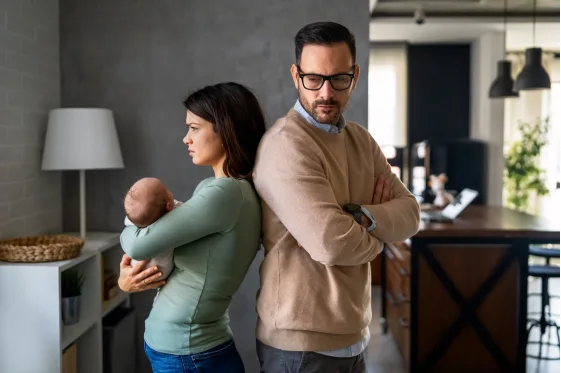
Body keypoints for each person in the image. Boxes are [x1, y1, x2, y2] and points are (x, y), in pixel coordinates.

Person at [252, 21, 421, 373]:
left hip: (355, 336)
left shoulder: (361, 140)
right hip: (300, 346)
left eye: (338, 79)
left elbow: (411, 214)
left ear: (355, 75)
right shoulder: (286, 145)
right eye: (313, 78)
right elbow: (331, 244)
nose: (325, 93)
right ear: (296, 75)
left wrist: (356, 218)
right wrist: (379, 237)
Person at [117, 82, 266, 373]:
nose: (186, 138)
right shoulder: (220, 189)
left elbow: (136, 244)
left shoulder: (224, 194)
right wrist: (126, 282)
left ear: (226, 129)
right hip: (188, 350)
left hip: (190, 353)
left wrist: (126, 226)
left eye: (194, 128)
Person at [123, 177, 182, 282]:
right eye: (166, 190)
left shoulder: (133, 219)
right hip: (162, 272)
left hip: (136, 268)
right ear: (168, 206)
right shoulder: (176, 215)